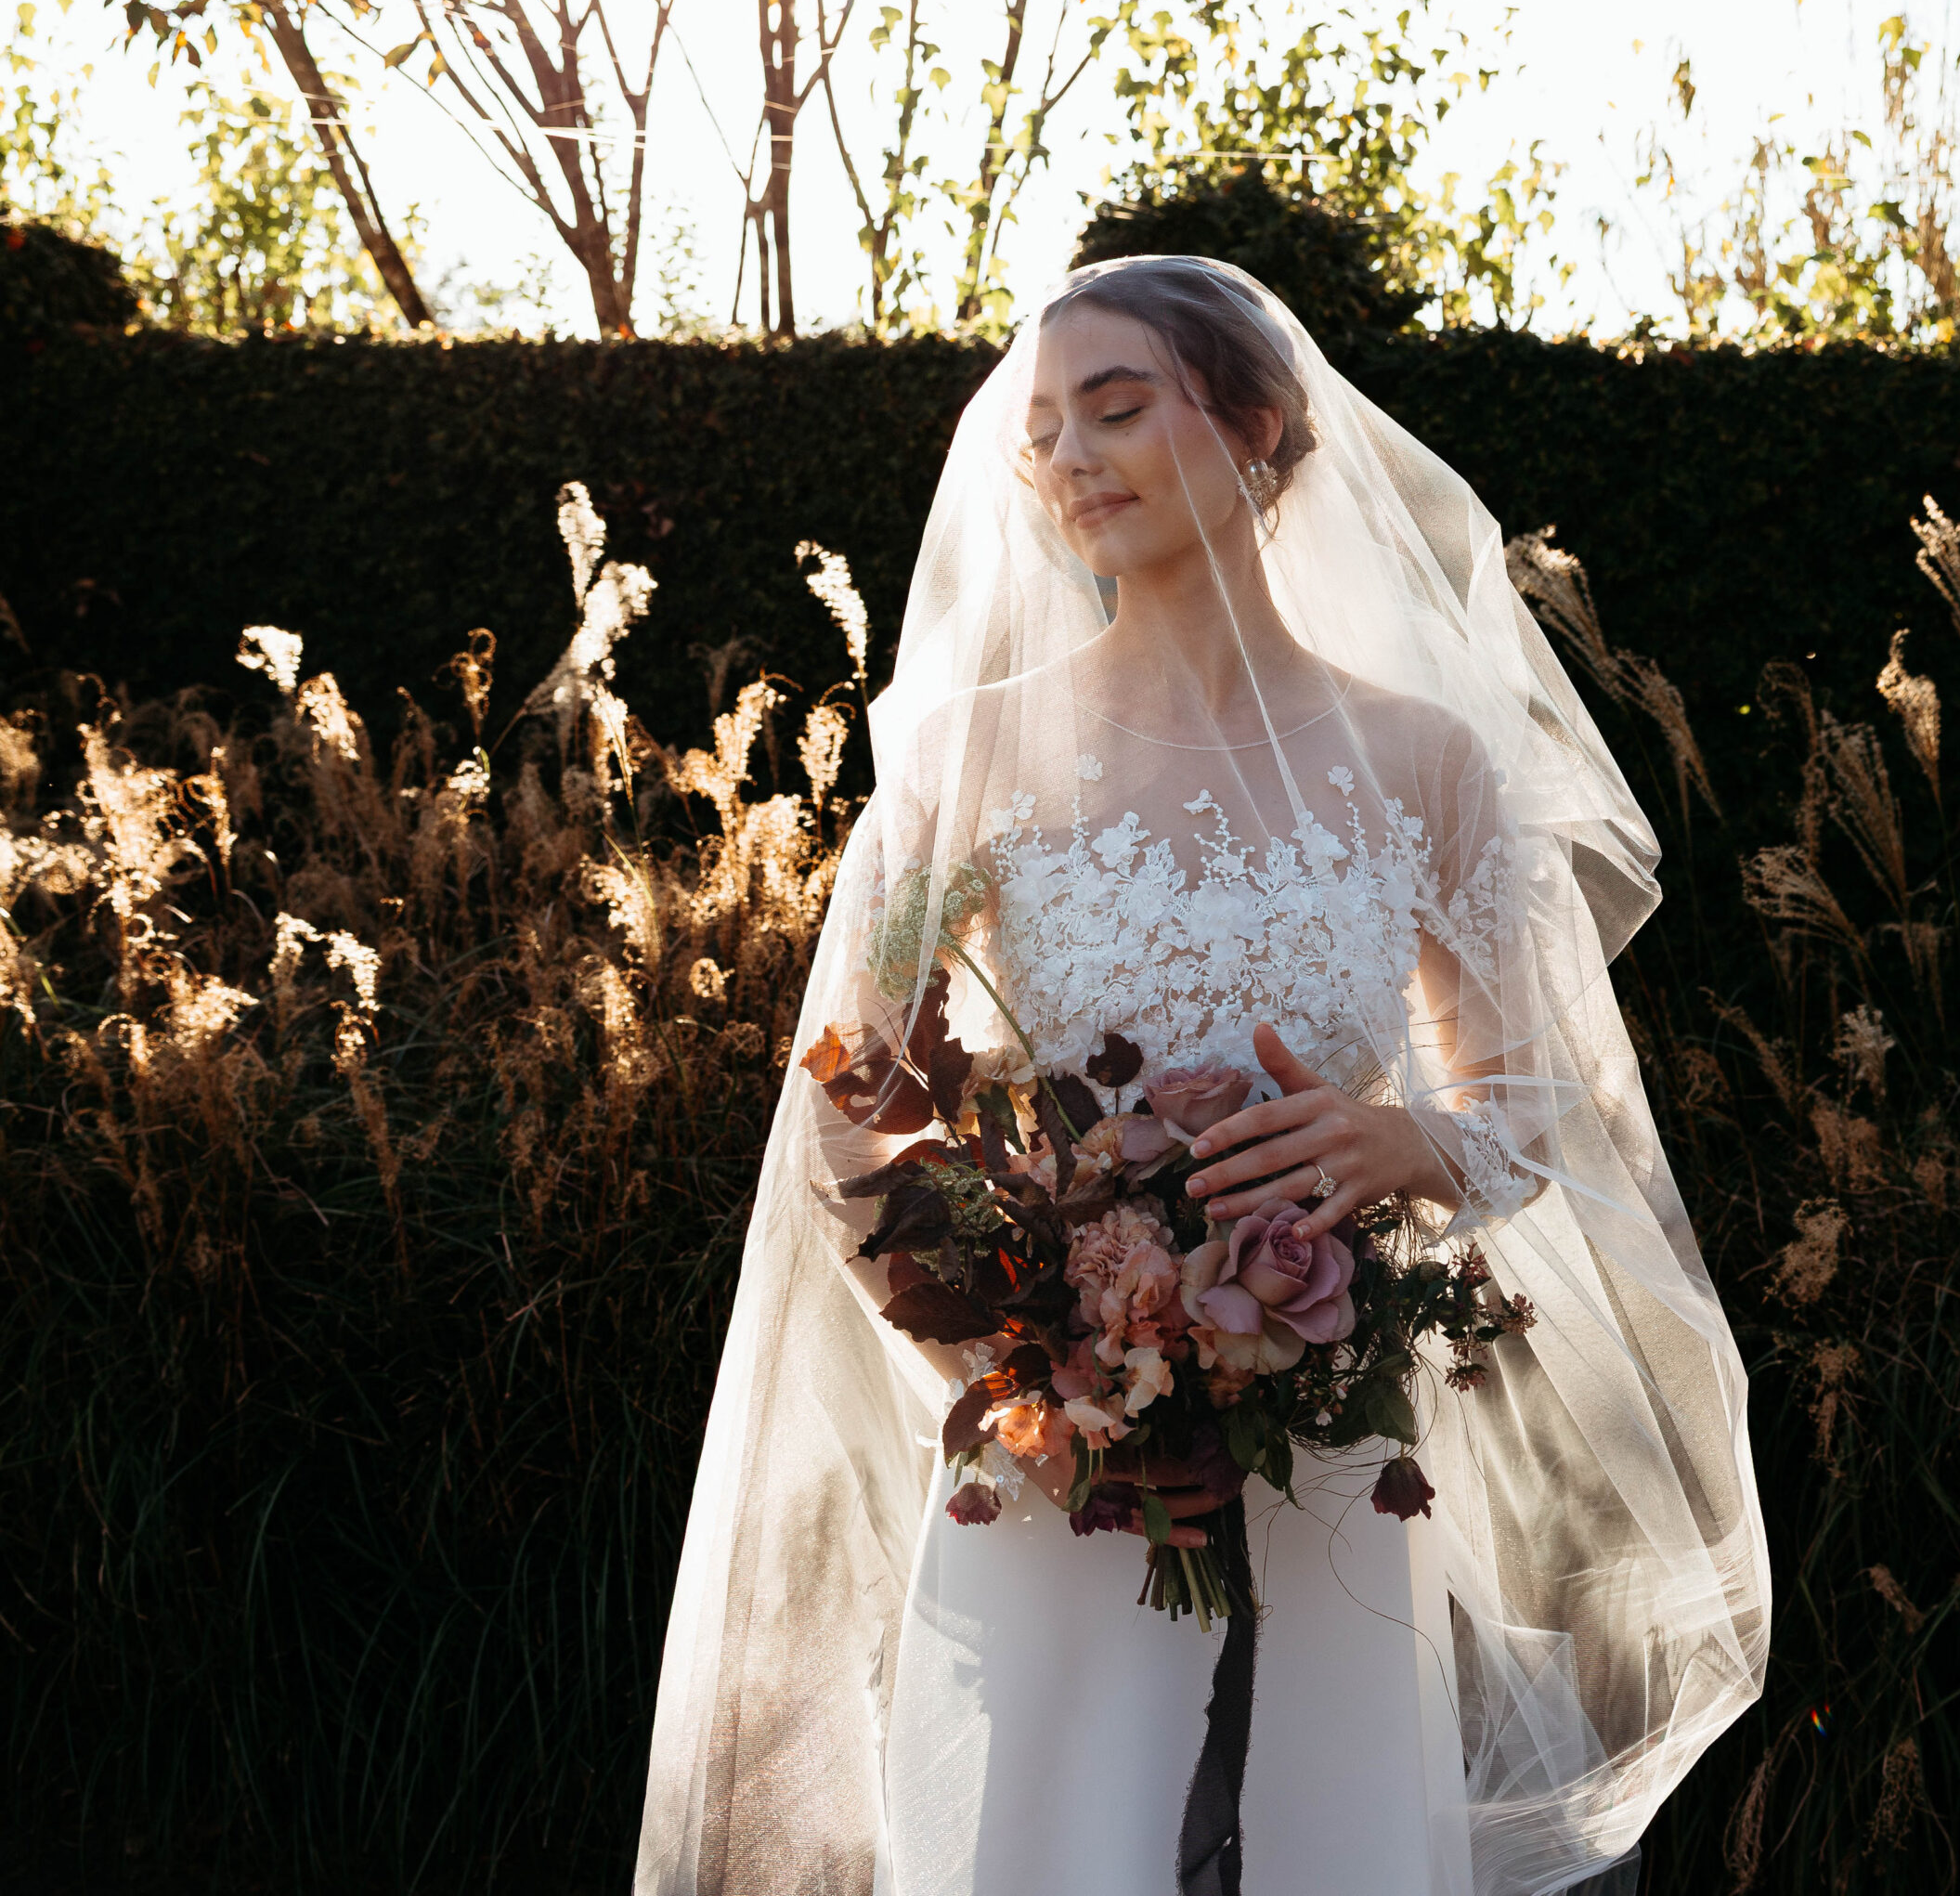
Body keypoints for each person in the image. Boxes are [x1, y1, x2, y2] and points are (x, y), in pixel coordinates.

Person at [633, 257, 1768, 1896]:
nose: (1069, 459)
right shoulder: (969, 755)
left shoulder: (1424, 762)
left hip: (1331, 1458)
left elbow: (1531, 1114)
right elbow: (846, 1112)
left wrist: (1403, 1144)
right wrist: (1022, 1354)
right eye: (1043, 430)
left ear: (1259, 430)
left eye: (1116, 409)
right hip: (1066, 1479)